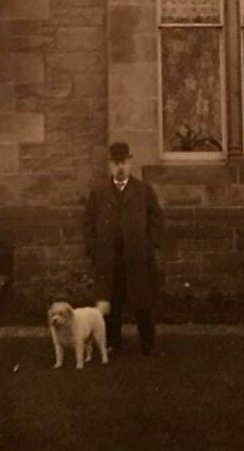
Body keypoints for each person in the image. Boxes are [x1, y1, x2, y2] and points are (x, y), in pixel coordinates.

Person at [84, 141, 164, 355]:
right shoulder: (99, 193)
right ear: (110, 166)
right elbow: (89, 223)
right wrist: (93, 248)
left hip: (136, 254)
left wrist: (149, 245)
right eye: (115, 163)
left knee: (142, 301)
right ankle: (112, 345)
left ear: (130, 164)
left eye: (123, 163)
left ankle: (148, 345)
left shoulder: (143, 191)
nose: (120, 168)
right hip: (110, 256)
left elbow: (156, 219)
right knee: (111, 301)